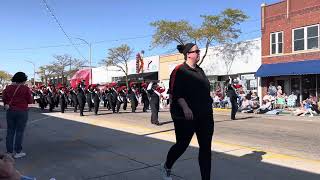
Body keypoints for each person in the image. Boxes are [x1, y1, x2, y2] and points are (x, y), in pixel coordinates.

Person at [161, 43, 214, 180]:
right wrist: (185, 107)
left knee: (206, 149)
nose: (199, 53)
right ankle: (167, 166)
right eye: (196, 51)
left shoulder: (200, 70)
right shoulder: (179, 70)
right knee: (182, 145)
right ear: (188, 54)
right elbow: (175, 91)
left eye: (199, 51)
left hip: (205, 115)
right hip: (185, 115)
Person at [2, 72, 32, 159]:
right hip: (22, 111)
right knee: (19, 132)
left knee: (10, 131)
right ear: (23, 79)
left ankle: (9, 152)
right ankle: (18, 151)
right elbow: (29, 100)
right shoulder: (25, 88)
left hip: (10, 111)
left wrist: (7, 103)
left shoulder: (8, 88)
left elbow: (4, 98)